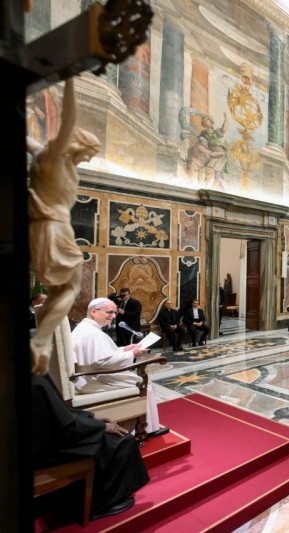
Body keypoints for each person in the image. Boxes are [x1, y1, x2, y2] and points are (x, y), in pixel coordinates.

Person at [27, 77, 101, 375]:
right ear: (78, 145)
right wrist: (69, 77)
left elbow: (28, 140)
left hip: (45, 226)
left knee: (62, 290)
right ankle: (41, 342)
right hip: (54, 228)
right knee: (69, 287)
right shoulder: (56, 157)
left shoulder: (43, 156)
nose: (88, 158)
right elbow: (69, 118)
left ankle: (40, 338)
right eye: (89, 152)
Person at [32, 373, 150, 520]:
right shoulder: (35, 379)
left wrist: (89, 416)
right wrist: (101, 427)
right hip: (48, 449)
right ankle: (101, 504)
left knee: (110, 438)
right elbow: (67, 428)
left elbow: (60, 413)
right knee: (123, 441)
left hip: (47, 441)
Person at [71, 298, 168, 438]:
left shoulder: (86, 328)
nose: (114, 316)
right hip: (96, 378)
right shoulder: (92, 333)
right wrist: (132, 353)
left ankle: (144, 426)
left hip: (90, 375)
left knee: (142, 381)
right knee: (144, 384)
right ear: (93, 312)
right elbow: (102, 363)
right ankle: (144, 429)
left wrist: (125, 349)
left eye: (115, 313)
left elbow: (103, 355)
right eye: (109, 312)